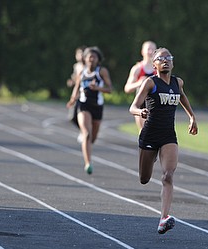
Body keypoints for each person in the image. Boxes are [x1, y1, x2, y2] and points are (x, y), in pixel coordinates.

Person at [129, 47, 198, 234]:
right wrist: (139, 111)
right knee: (144, 179)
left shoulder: (178, 82)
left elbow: (182, 97)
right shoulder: (150, 83)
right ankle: (151, 157)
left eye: (169, 58)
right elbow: (133, 106)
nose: (166, 61)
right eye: (161, 58)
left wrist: (192, 116)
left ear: (173, 63)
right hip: (149, 134)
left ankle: (163, 218)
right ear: (155, 65)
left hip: (168, 135)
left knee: (168, 176)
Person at [66, 46, 113, 174]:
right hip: (83, 105)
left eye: (94, 57)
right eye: (89, 57)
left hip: (97, 106)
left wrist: (97, 88)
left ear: (98, 59)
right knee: (87, 133)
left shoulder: (101, 71)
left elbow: (110, 89)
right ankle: (88, 163)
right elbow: (77, 87)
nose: (91, 59)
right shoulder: (82, 72)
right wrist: (72, 99)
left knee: (93, 137)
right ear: (85, 59)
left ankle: (87, 147)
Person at [124, 41, 157, 131]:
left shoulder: (158, 70)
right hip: (141, 104)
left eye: (153, 50)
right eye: (148, 49)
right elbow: (127, 88)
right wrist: (139, 83)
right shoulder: (137, 69)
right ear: (142, 51)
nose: (150, 52)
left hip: (156, 104)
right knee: (144, 131)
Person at [67, 46, 86, 129]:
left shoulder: (89, 66)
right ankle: (83, 129)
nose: (80, 56)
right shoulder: (76, 66)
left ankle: (85, 130)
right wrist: (71, 81)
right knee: (72, 117)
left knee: (83, 114)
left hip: (85, 93)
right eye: (79, 54)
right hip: (77, 93)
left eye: (82, 54)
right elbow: (75, 78)